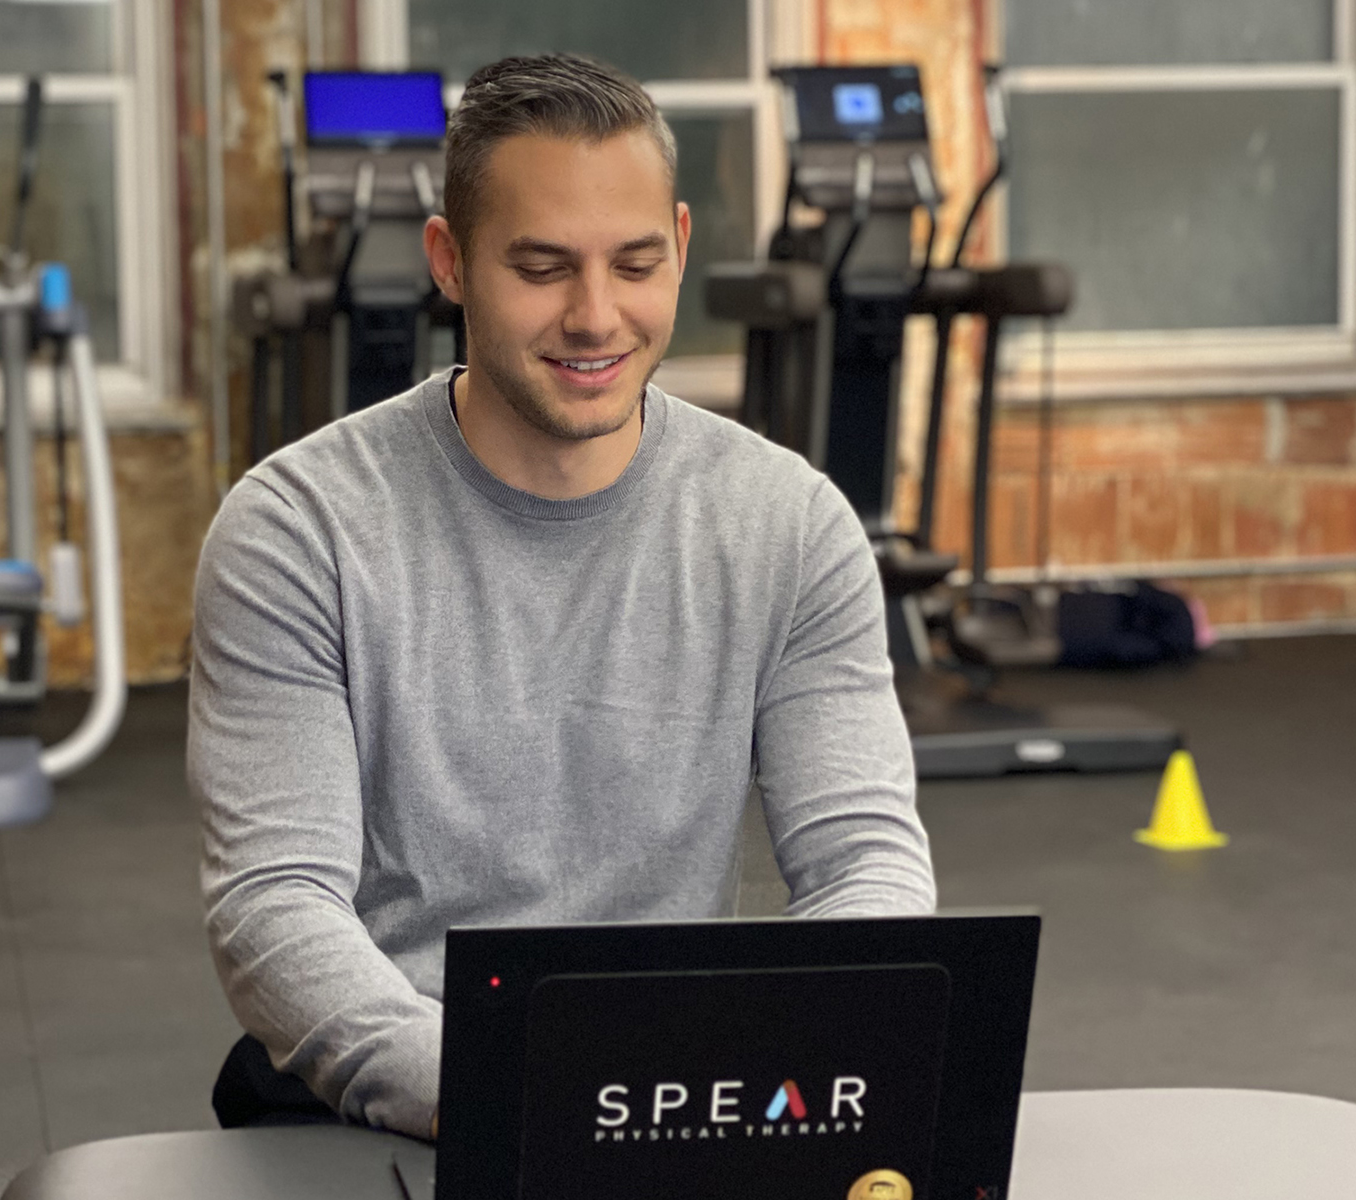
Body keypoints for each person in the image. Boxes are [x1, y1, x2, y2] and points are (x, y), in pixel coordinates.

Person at [188, 52, 935, 1141]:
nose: (596, 316)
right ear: (448, 261)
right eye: (541, 268)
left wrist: (771, 1067)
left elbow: (866, 862)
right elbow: (275, 908)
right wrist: (531, 1096)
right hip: (392, 1109)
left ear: (681, 245)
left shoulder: (792, 525)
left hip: (676, 1103)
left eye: (635, 264)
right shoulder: (296, 530)